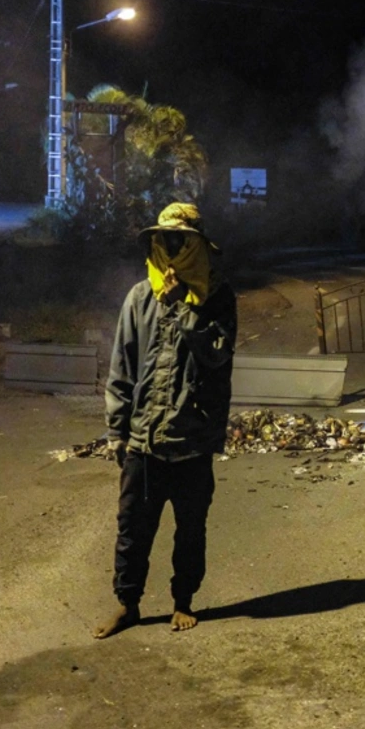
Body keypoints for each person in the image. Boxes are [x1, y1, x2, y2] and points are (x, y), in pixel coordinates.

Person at [93, 202, 237, 639]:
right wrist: (118, 431)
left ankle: (183, 602)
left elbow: (217, 354)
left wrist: (187, 309)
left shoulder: (217, 295)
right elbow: (122, 365)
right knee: (133, 527)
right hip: (144, 440)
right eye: (165, 239)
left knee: (190, 528)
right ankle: (128, 603)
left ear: (197, 245)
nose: (172, 247)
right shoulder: (141, 296)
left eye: (181, 240)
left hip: (193, 439)